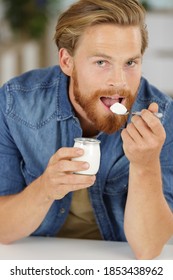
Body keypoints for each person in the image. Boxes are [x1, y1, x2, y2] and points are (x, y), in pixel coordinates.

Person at [0, 0, 173, 260]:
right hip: (38, 259)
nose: (119, 81)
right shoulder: (16, 104)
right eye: (102, 62)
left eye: (130, 63)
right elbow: (3, 230)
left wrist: (146, 164)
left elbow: (148, 249)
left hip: (116, 261)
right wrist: (45, 188)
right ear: (67, 62)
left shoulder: (161, 116)